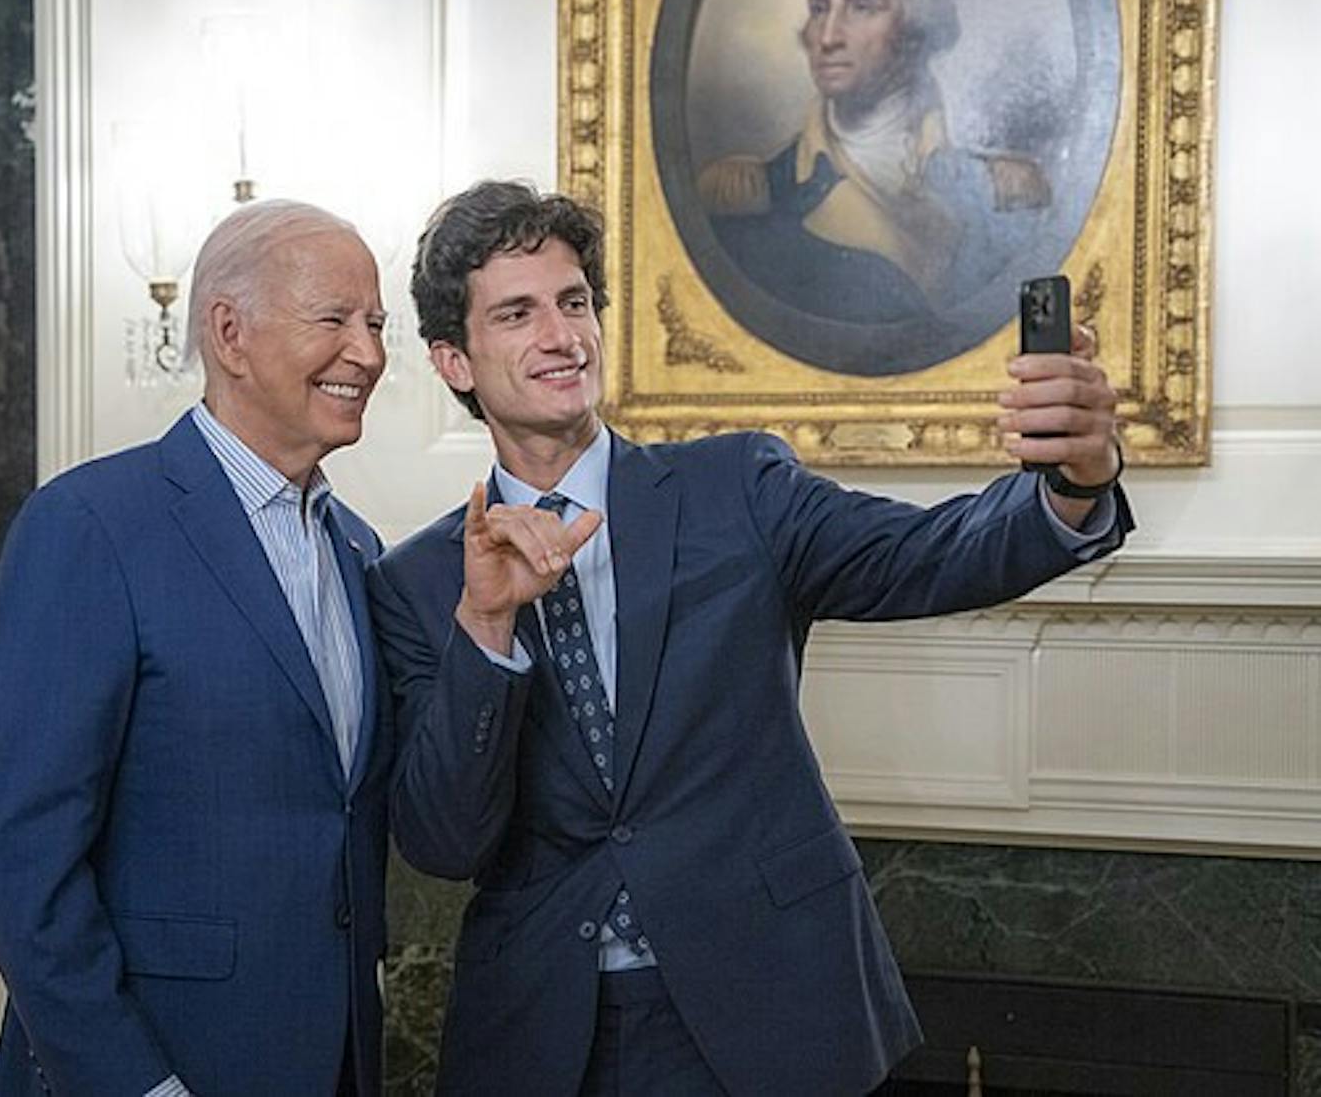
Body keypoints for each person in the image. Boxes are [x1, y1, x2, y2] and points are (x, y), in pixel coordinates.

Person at [368, 180, 1132, 1095]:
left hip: (769, 1005)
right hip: (543, 1031)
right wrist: (486, 624)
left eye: (574, 302)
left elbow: (934, 554)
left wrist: (1075, 481)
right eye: (518, 313)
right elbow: (443, 842)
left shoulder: (739, 487)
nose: (561, 336)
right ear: (455, 361)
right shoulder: (415, 586)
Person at [0, 200, 392, 1096]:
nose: (369, 352)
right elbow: (23, 863)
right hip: (146, 1071)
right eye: (336, 320)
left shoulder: (361, 550)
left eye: (377, 323)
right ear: (229, 333)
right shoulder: (88, 525)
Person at [698, 0, 1048, 322]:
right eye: (819, 9)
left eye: (862, 7)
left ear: (917, 29)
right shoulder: (753, 200)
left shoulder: (1001, 193)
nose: (828, 37)